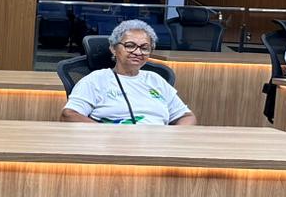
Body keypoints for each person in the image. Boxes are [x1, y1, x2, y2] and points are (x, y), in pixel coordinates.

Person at [61, 19, 196, 125]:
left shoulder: (156, 80)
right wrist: (106, 134)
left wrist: (173, 137)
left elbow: (187, 117)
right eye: (130, 46)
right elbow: (69, 115)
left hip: (158, 145)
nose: (137, 52)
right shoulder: (96, 80)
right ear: (113, 48)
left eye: (144, 48)